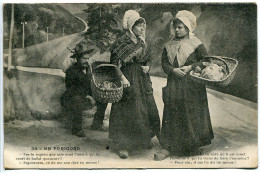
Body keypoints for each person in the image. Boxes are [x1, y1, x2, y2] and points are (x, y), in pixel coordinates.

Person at [154, 10, 214, 161]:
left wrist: (190, 67)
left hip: (192, 85)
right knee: (172, 112)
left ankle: (191, 146)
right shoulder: (168, 45)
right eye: (175, 27)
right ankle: (169, 146)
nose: (177, 30)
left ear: (188, 28)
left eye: (180, 27)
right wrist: (173, 70)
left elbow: (206, 61)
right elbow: (164, 64)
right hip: (174, 83)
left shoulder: (196, 44)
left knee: (190, 112)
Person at [108, 10, 160, 159]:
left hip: (142, 79)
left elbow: (148, 58)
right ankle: (123, 145)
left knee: (144, 108)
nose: (142, 28)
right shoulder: (121, 42)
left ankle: (142, 140)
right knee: (127, 110)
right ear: (131, 26)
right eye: (139, 26)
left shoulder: (142, 42)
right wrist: (122, 78)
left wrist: (148, 66)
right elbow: (114, 64)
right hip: (127, 78)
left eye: (143, 25)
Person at [62, 42, 109, 132]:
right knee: (77, 100)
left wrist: (97, 93)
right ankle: (77, 129)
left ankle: (96, 124)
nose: (86, 61)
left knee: (104, 99)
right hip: (71, 97)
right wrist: (87, 96)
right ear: (77, 59)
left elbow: (92, 84)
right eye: (84, 58)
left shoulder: (89, 69)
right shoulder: (71, 71)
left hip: (87, 96)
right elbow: (71, 89)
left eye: (87, 58)